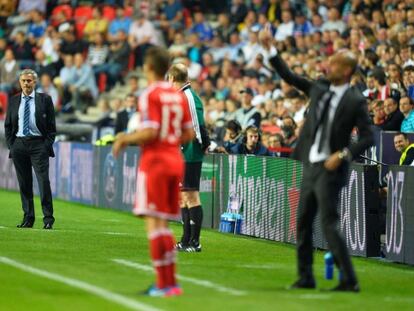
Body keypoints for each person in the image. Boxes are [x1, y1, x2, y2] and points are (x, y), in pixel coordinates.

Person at [260, 27, 373, 292]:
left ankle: (349, 279)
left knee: (328, 222)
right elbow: (289, 76)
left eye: (333, 64)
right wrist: (270, 50)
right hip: (311, 164)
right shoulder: (320, 87)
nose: (327, 65)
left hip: (331, 169)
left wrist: (344, 154)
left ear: (345, 71)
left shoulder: (356, 100)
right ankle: (305, 277)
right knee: (302, 221)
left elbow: (369, 138)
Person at [112, 47, 194, 297]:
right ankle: (171, 284)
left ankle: (163, 284)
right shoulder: (179, 95)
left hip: (156, 162)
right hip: (175, 160)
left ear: (147, 67)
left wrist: (125, 138)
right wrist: (170, 140)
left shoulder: (150, 94)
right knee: (164, 225)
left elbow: (150, 131)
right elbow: (189, 134)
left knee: (155, 224)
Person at [4, 69, 56, 229]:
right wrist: (12, 145)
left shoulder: (45, 100)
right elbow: (8, 125)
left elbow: (52, 128)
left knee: (43, 181)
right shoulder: (13, 100)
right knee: (24, 183)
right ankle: (28, 218)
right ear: (19, 82)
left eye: (29, 80)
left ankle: (48, 219)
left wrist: (46, 145)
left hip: (38, 144)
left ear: (35, 82)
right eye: (24, 80)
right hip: (19, 144)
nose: (26, 83)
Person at [167, 63, 210, 253]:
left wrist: (203, 145)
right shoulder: (179, 97)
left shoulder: (189, 97)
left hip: (190, 153)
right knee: (183, 197)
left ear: (172, 79)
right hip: (182, 153)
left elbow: (197, 125)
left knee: (191, 196)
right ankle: (185, 240)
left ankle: (195, 241)